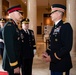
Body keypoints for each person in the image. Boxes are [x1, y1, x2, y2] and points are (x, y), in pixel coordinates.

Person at [42, 4, 73, 75]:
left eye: (52, 12)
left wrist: (52, 57)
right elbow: (53, 44)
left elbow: (67, 47)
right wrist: (47, 52)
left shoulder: (65, 26)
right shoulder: (55, 27)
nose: (50, 15)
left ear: (58, 13)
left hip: (62, 64)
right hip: (54, 64)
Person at [2, 5, 23, 75]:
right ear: (13, 13)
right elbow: (9, 47)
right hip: (12, 63)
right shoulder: (9, 26)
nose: (21, 15)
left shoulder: (14, 26)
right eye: (19, 13)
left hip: (16, 60)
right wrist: (14, 65)